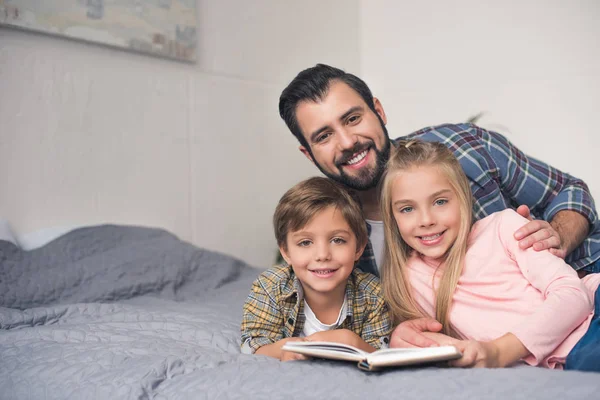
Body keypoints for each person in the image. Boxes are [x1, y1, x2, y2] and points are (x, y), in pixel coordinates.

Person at [278, 63, 600, 347]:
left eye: (352, 118)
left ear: (378, 110)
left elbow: (569, 190)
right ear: (308, 153)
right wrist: (398, 334)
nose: (347, 142)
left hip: (583, 275)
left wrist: (557, 236)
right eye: (323, 136)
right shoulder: (328, 230)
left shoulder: (465, 147)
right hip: (513, 341)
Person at [378, 139, 600, 370]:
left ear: (463, 198)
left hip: (592, 317)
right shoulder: (409, 280)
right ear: (392, 216)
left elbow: (574, 294)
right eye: (407, 209)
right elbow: (438, 346)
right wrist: (406, 340)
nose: (426, 220)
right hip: (574, 355)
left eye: (440, 202)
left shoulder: (503, 227)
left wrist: (499, 351)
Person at [240, 177, 391, 361]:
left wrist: (351, 341)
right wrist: (286, 350)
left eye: (337, 240)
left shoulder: (373, 294)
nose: (322, 255)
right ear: (286, 252)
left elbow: (383, 353)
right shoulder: (270, 286)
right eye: (305, 242)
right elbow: (252, 346)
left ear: (359, 247)